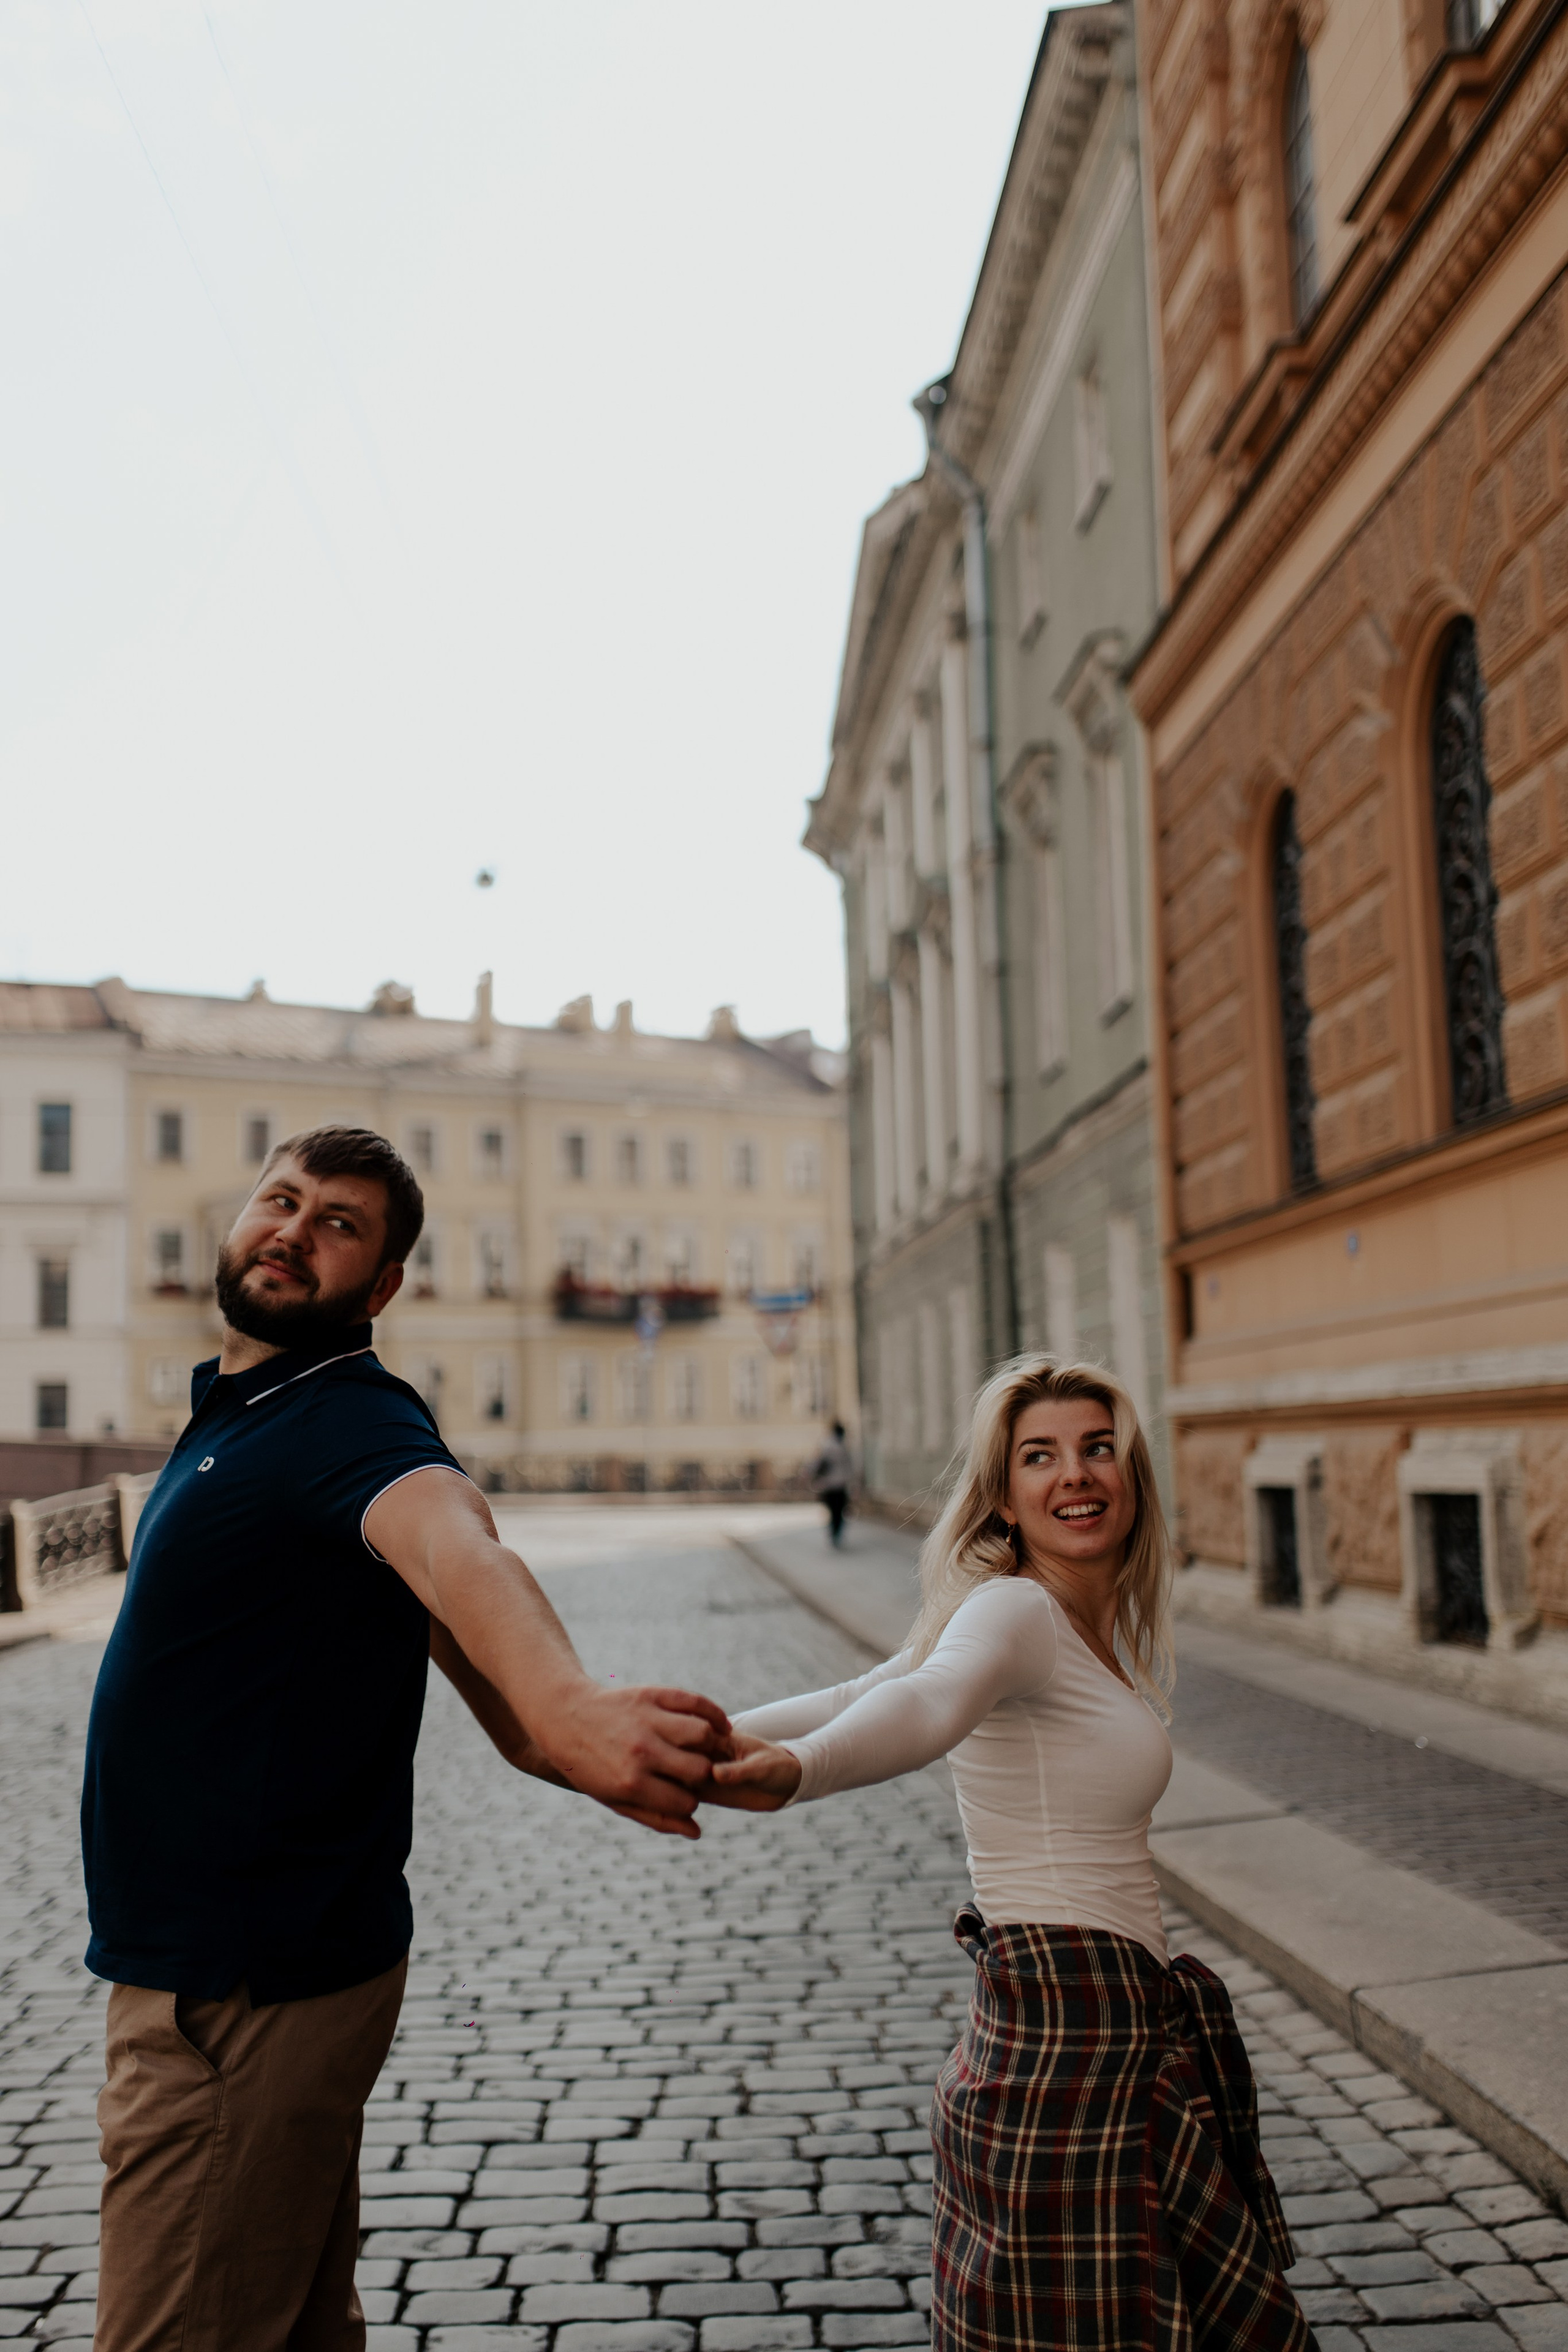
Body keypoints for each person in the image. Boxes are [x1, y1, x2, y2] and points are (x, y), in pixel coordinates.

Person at [84, 1125, 731, 2352]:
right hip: (253, 1974)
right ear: (235, 1225)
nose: (293, 1228)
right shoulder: (243, 1412)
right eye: (280, 1200)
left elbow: (453, 1545)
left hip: (234, 1996)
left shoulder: (349, 1423)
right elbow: (476, 1674)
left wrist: (568, 1703)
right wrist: (543, 1736)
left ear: (379, 1289)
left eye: (338, 1223)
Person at [710, 1355, 1310, 2352]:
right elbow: (917, 1704)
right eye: (1041, 1456)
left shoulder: (1077, 1624)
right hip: (1065, 2052)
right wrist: (795, 1771)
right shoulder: (1015, 1609)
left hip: (1113, 2042)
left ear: (1132, 1476)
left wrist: (713, 1741)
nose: (1075, 1474)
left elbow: (868, 1686)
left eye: (1097, 1448)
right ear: (1003, 1497)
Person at [807, 1417, 854, 1545]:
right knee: (839, 1510)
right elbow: (850, 1467)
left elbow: (817, 1463)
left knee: (834, 1510)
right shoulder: (843, 1446)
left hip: (829, 1484)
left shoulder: (827, 1445)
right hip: (839, 1484)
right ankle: (836, 1532)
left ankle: (834, 1532)